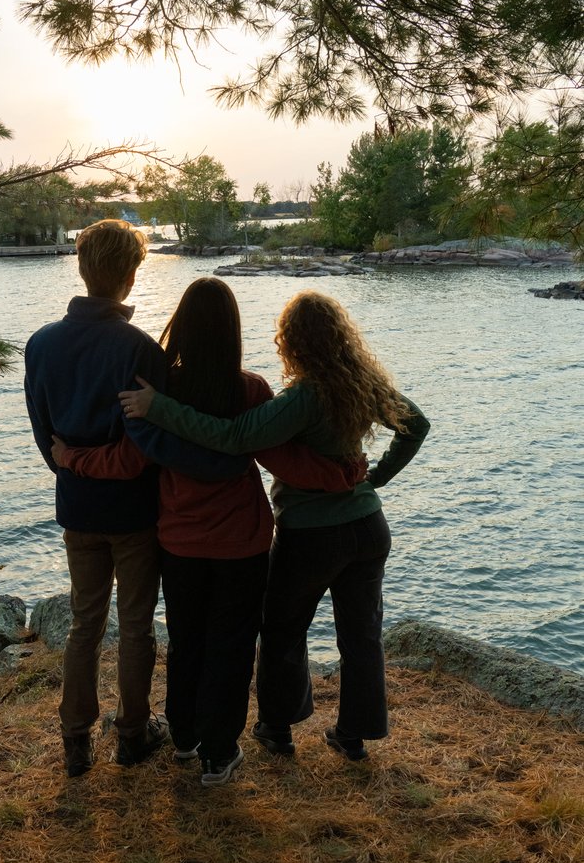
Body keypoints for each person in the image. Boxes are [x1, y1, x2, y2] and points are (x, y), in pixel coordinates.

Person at [52, 278, 366, 786]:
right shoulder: (251, 390)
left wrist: (71, 459)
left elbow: (134, 459)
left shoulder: (158, 391)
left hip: (178, 539)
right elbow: (282, 459)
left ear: (181, 326)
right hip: (241, 542)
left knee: (186, 640)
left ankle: (183, 738)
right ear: (232, 331)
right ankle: (219, 754)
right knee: (232, 644)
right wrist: (344, 474)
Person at [119, 289, 431, 762]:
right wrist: (375, 477)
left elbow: (233, 437)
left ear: (292, 340)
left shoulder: (302, 397)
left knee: (284, 630)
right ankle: (354, 734)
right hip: (368, 527)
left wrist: (158, 407)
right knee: (362, 635)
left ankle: (277, 728)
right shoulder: (364, 381)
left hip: (311, 535)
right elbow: (417, 425)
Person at [24, 220, 253, 778]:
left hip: (76, 507)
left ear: (82, 267)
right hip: (133, 513)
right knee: (135, 626)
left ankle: (75, 739)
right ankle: (131, 733)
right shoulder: (141, 350)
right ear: (130, 276)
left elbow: (44, 435)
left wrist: (72, 464)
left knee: (84, 625)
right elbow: (147, 448)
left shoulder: (40, 345)